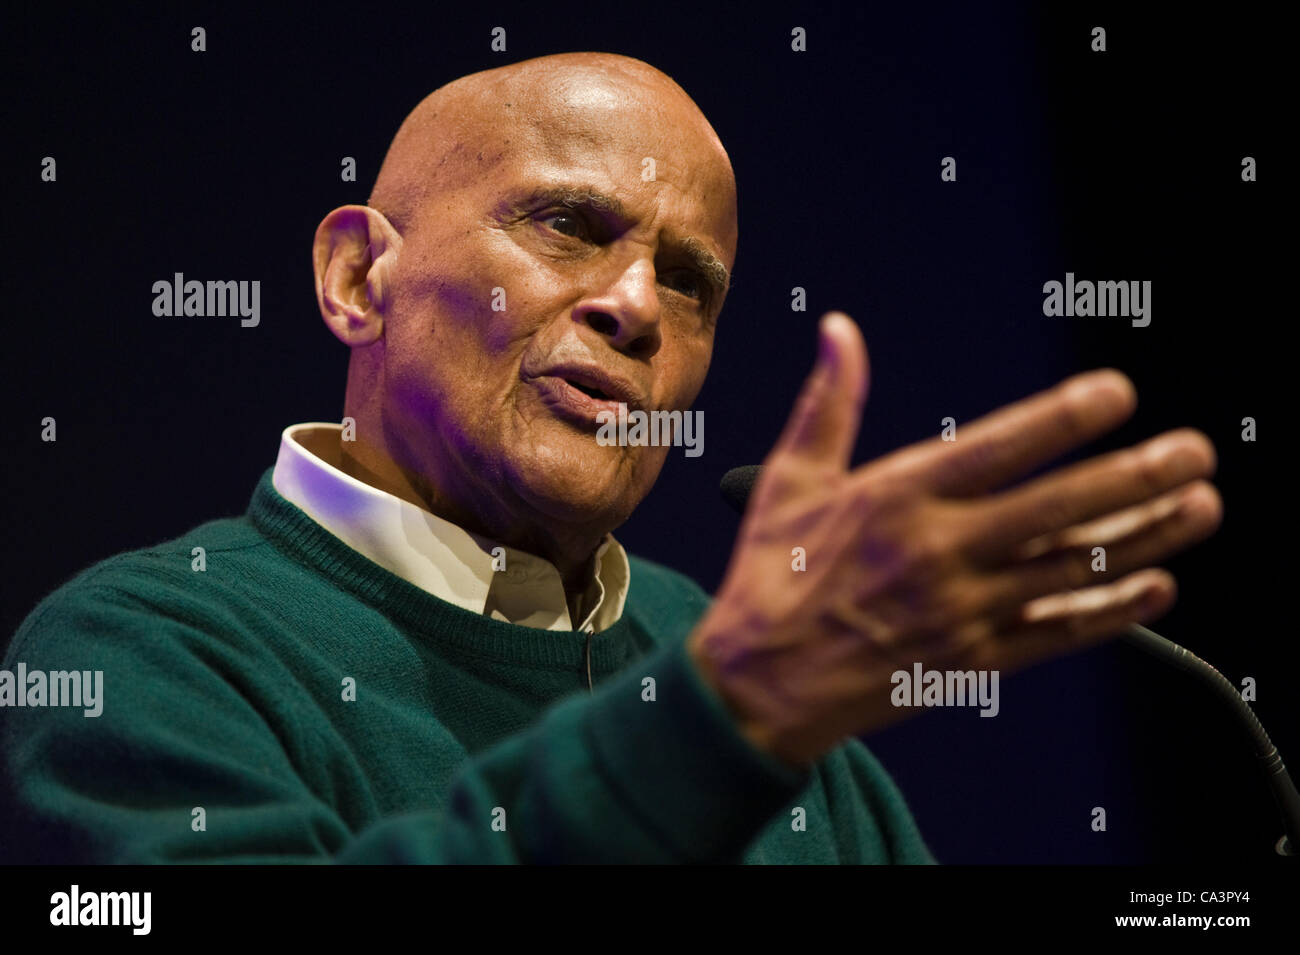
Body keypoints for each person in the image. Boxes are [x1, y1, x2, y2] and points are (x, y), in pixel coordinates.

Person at [0, 52, 1221, 863]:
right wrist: (717, 724)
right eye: (568, 225)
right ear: (358, 278)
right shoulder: (137, 654)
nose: (635, 303)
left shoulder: (751, 662)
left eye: (691, 283)